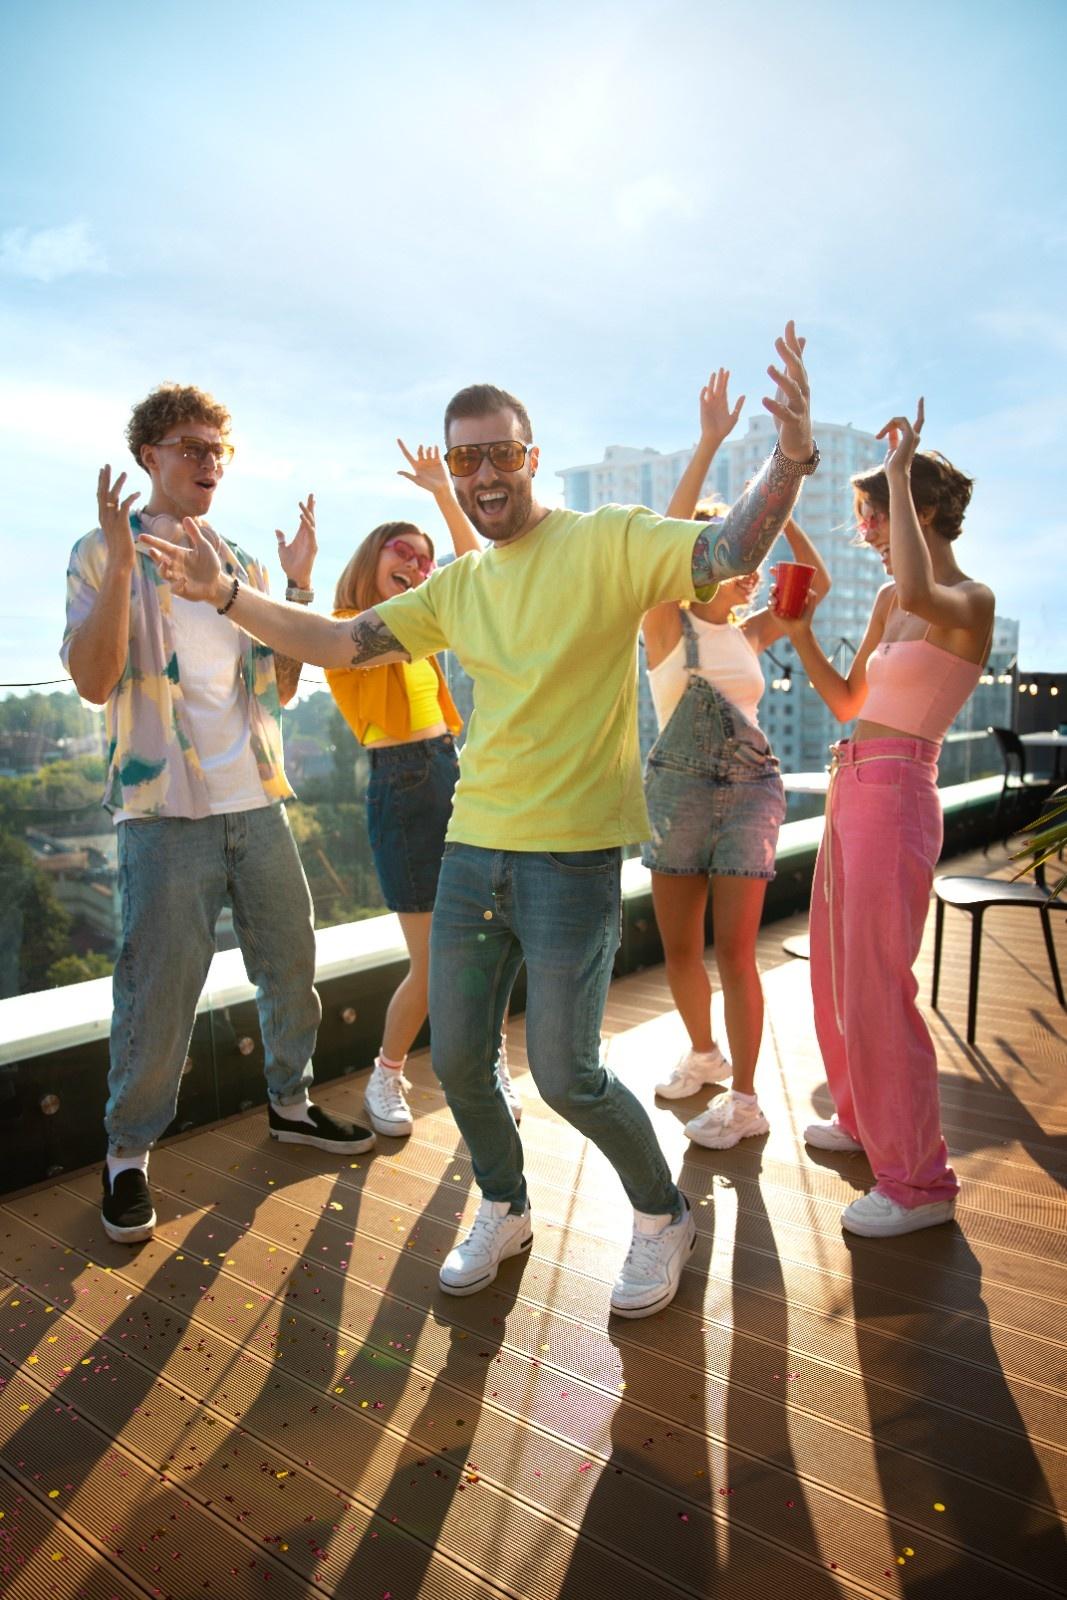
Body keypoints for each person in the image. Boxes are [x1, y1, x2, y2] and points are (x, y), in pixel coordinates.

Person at [137, 323, 818, 1317]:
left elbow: (726, 549)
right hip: (470, 851)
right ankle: (504, 1203)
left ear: (530, 456)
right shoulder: (458, 586)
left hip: (569, 857)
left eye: (499, 453)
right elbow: (338, 640)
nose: (483, 474)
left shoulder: (608, 540)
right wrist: (230, 594)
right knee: (457, 1060)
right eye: (465, 460)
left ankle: (661, 1212)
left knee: (567, 1075)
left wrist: (789, 457)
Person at [61, 383, 375, 1247]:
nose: (209, 463)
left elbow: (282, 685)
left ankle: (290, 1105)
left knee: (291, 964)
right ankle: (127, 1155)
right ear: (149, 456)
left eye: (218, 451)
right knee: (159, 992)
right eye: (191, 448)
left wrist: (298, 580)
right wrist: (121, 564)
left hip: (256, 799)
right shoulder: (99, 550)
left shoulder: (237, 560)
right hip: (162, 812)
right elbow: (91, 681)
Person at [772, 399, 993, 1238]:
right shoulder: (888, 605)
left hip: (897, 791)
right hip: (851, 784)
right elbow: (844, 701)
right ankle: (865, 1122)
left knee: (876, 981)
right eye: (866, 512)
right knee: (837, 972)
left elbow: (923, 586)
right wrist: (797, 632)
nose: (864, 528)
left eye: (874, 512)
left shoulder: (965, 599)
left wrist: (896, 472)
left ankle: (918, 1183)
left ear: (920, 508)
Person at [643, 368, 830, 1148]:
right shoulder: (663, 623)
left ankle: (746, 1100)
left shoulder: (750, 634)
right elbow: (665, 537)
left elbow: (814, 584)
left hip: (751, 791)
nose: (737, 569)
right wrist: (707, 444)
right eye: (723, 557)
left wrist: (780, 515)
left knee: (735, 953)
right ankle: (703, 1055)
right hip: (676, 793)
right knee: (679, 947)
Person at [322, 444, 522, 1137]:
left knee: (489, 939)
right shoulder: (348, 629)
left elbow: (481, 571)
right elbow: (411, 613)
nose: (416, 565)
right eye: (402, 554)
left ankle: (491, 1063)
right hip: (402, 787)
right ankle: (387, 1073)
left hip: (449, 771)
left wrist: (444, 493)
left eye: (424, 560)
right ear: (371, 559)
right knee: (432, 960)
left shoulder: (423, 623)